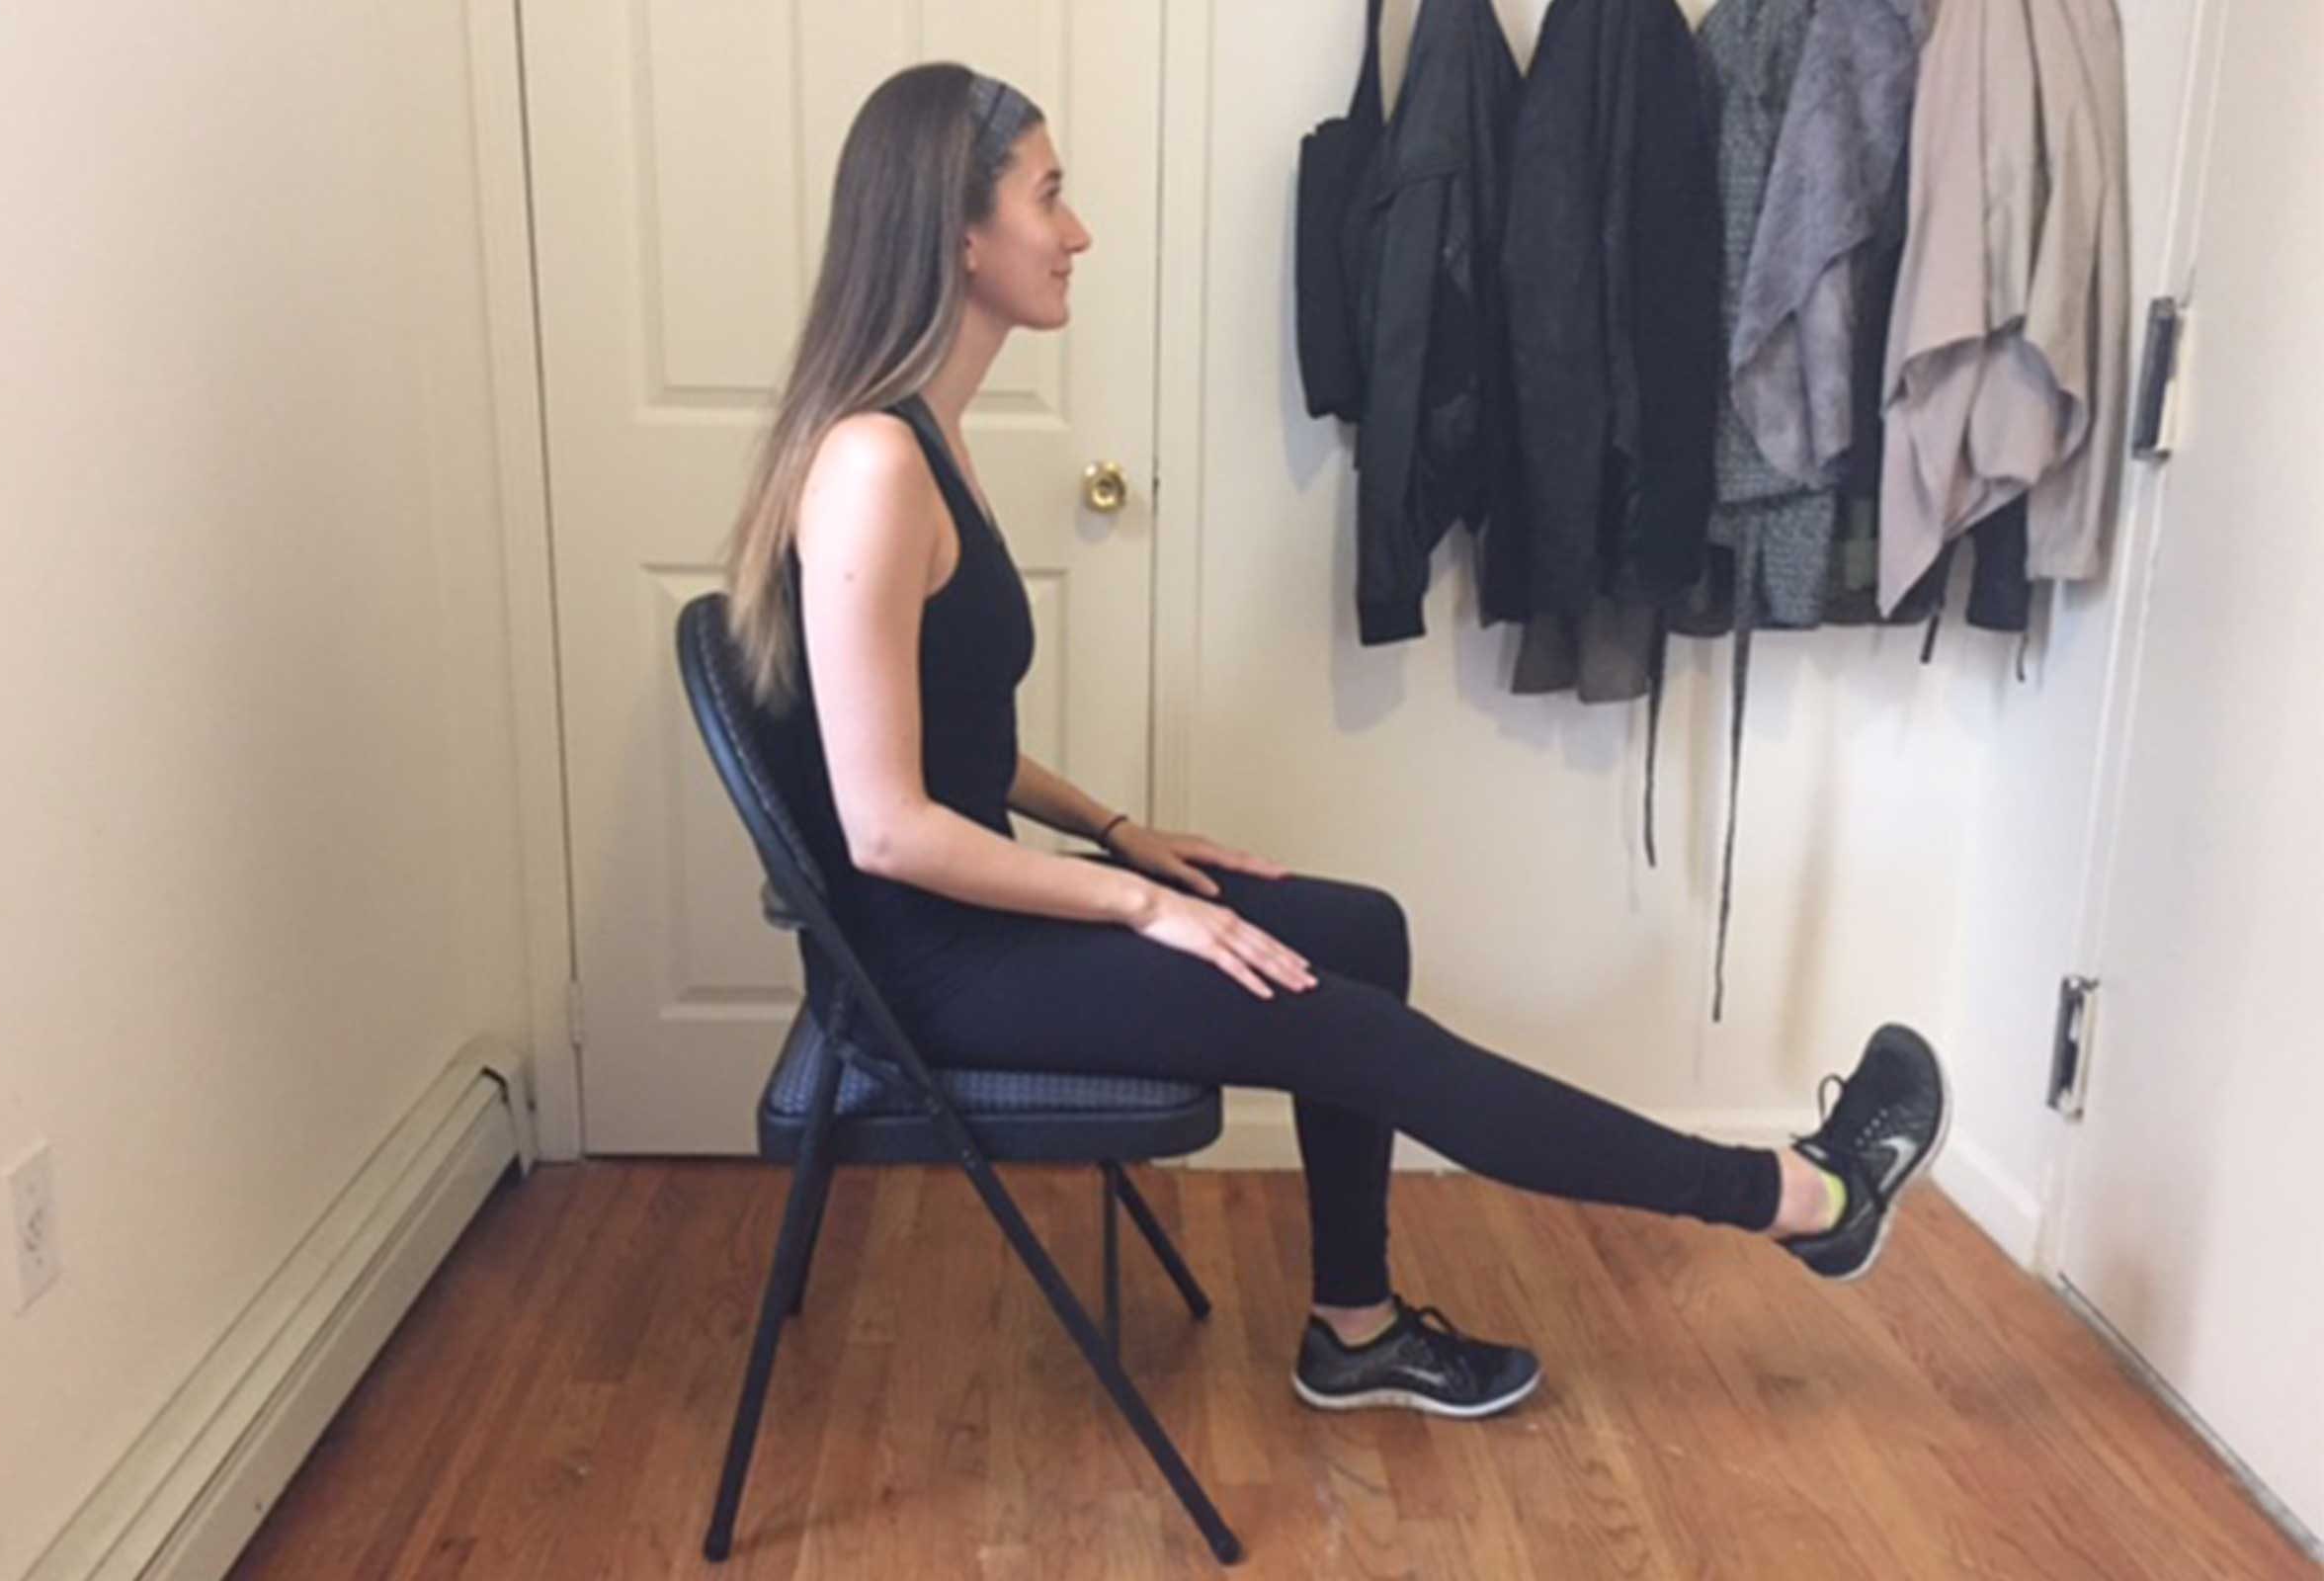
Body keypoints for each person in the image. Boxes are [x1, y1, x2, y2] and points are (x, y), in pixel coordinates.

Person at [717, 62, 1950, 1421]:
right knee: (1351, 1029)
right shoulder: (875, 468)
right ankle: (1802, 1197)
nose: (1077, 233)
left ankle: (1352, 1332)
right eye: (1049, 197)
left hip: (968, 919)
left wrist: (1120, 831)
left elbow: (954, 745)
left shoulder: (927, 442)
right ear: (958, 234)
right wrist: (1139, 907)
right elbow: (887, 823)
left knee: (1355, 929)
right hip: (924, 973)